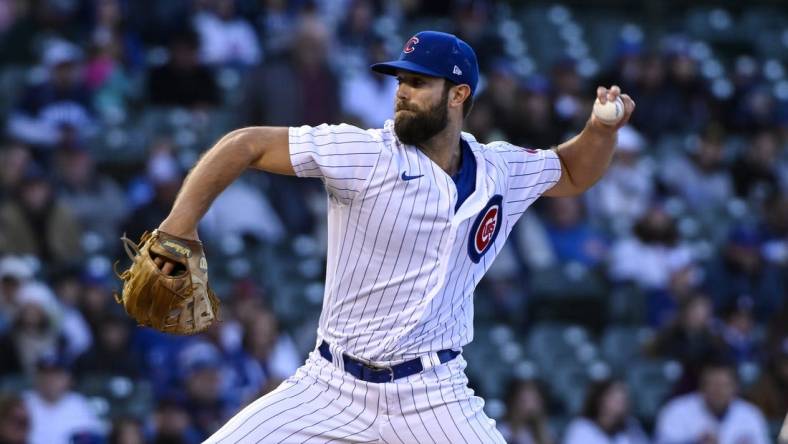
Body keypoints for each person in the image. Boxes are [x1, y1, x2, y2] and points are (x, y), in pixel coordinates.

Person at [151, 30, 635, 442]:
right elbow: (246, 144)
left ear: (458, 95)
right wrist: (178, 225)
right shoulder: (365, 154)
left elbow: (572, 171)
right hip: (331, 385)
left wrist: (599, 128)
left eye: (418, 82)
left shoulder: (500, 169)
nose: (402, 91)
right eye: (400, 80)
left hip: (433, 392)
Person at [655, 359, 771, 444]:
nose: (718, 391)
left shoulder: (750, 414)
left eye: (724, 385)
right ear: (702, 387)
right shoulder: (676, 411)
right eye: (712, 384)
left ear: (736, 388)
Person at [563, 379, 648, 444]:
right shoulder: (580, 428)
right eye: (617, 399)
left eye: (625, 399)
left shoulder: (632, 426)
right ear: (601, 401)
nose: (623, 403)